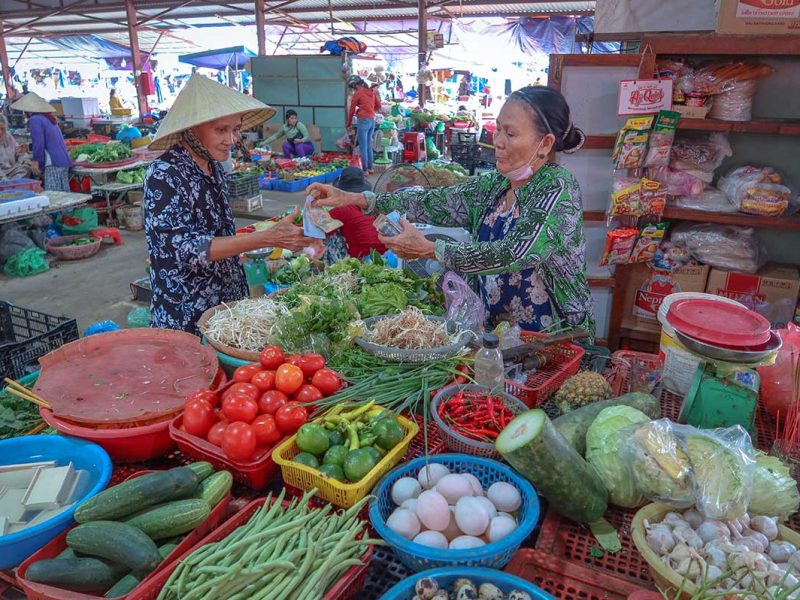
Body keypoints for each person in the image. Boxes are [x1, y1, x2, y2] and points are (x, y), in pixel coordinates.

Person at [309, 86, 594, 337]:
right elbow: (433, 202)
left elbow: (515, 252)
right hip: (500, 335)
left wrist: (431, 249)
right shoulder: (495, 184)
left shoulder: (557, 189)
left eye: (511, 133)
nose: (497, 141)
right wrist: (359, 199)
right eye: (498, 128)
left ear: (544, 144)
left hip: (553, 339)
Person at [143, 73, 322, 335]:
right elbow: (186, 250)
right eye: (221, 130)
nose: (231, 140)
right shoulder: (164, 174)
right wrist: (266, 238)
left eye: (235, 129)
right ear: (192, 130)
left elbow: (219, 234)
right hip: (187, 314)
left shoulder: (213, 167)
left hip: (227, 306)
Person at [324, 166, 386, 262]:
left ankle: (334, 264)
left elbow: (321, 229)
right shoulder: (374, 203)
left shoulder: (340, 210)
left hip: (363, 257)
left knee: (331, 233)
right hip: (388, 251)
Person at [11, 92, 71, 191]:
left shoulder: (35, 120)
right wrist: (28, 146)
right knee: (65, 194)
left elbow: (38, 142)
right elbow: (47, 141)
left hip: (53, 162)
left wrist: (35, 161)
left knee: (54, 196)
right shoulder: (47, 118)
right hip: (63, 161)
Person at [347, 75, 381, 175]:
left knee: (363, 146)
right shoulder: (371, 92)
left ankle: (365, 170)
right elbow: (379, 106)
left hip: (363, 121)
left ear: (354, 85)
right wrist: (370, 111)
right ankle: (371, 168)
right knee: (368, 146)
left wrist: (348, 123)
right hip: (372, 120)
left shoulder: (357, 94)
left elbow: (351, 110)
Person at [0, 115, 30, 179]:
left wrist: (25, 159)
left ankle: (11, 183)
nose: (0, 132)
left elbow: (19, 151)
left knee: (27, 168)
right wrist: (2, 176)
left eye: (2, 129)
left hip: (11, 171)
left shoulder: (8, 137)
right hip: (1, 172)